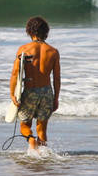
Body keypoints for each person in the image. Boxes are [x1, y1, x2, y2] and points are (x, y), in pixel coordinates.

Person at [10, 16, 60, 152]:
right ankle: (42, 156)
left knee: (25, 125)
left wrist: (12, 95)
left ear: (30, 31)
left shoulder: (24, 49)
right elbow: (56, 78)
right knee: (42, 129)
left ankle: (31, 140)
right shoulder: (53, 52)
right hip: (47, 92)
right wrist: (56, 98)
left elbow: (15, 74)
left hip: (30, 91)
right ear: (46, 32)